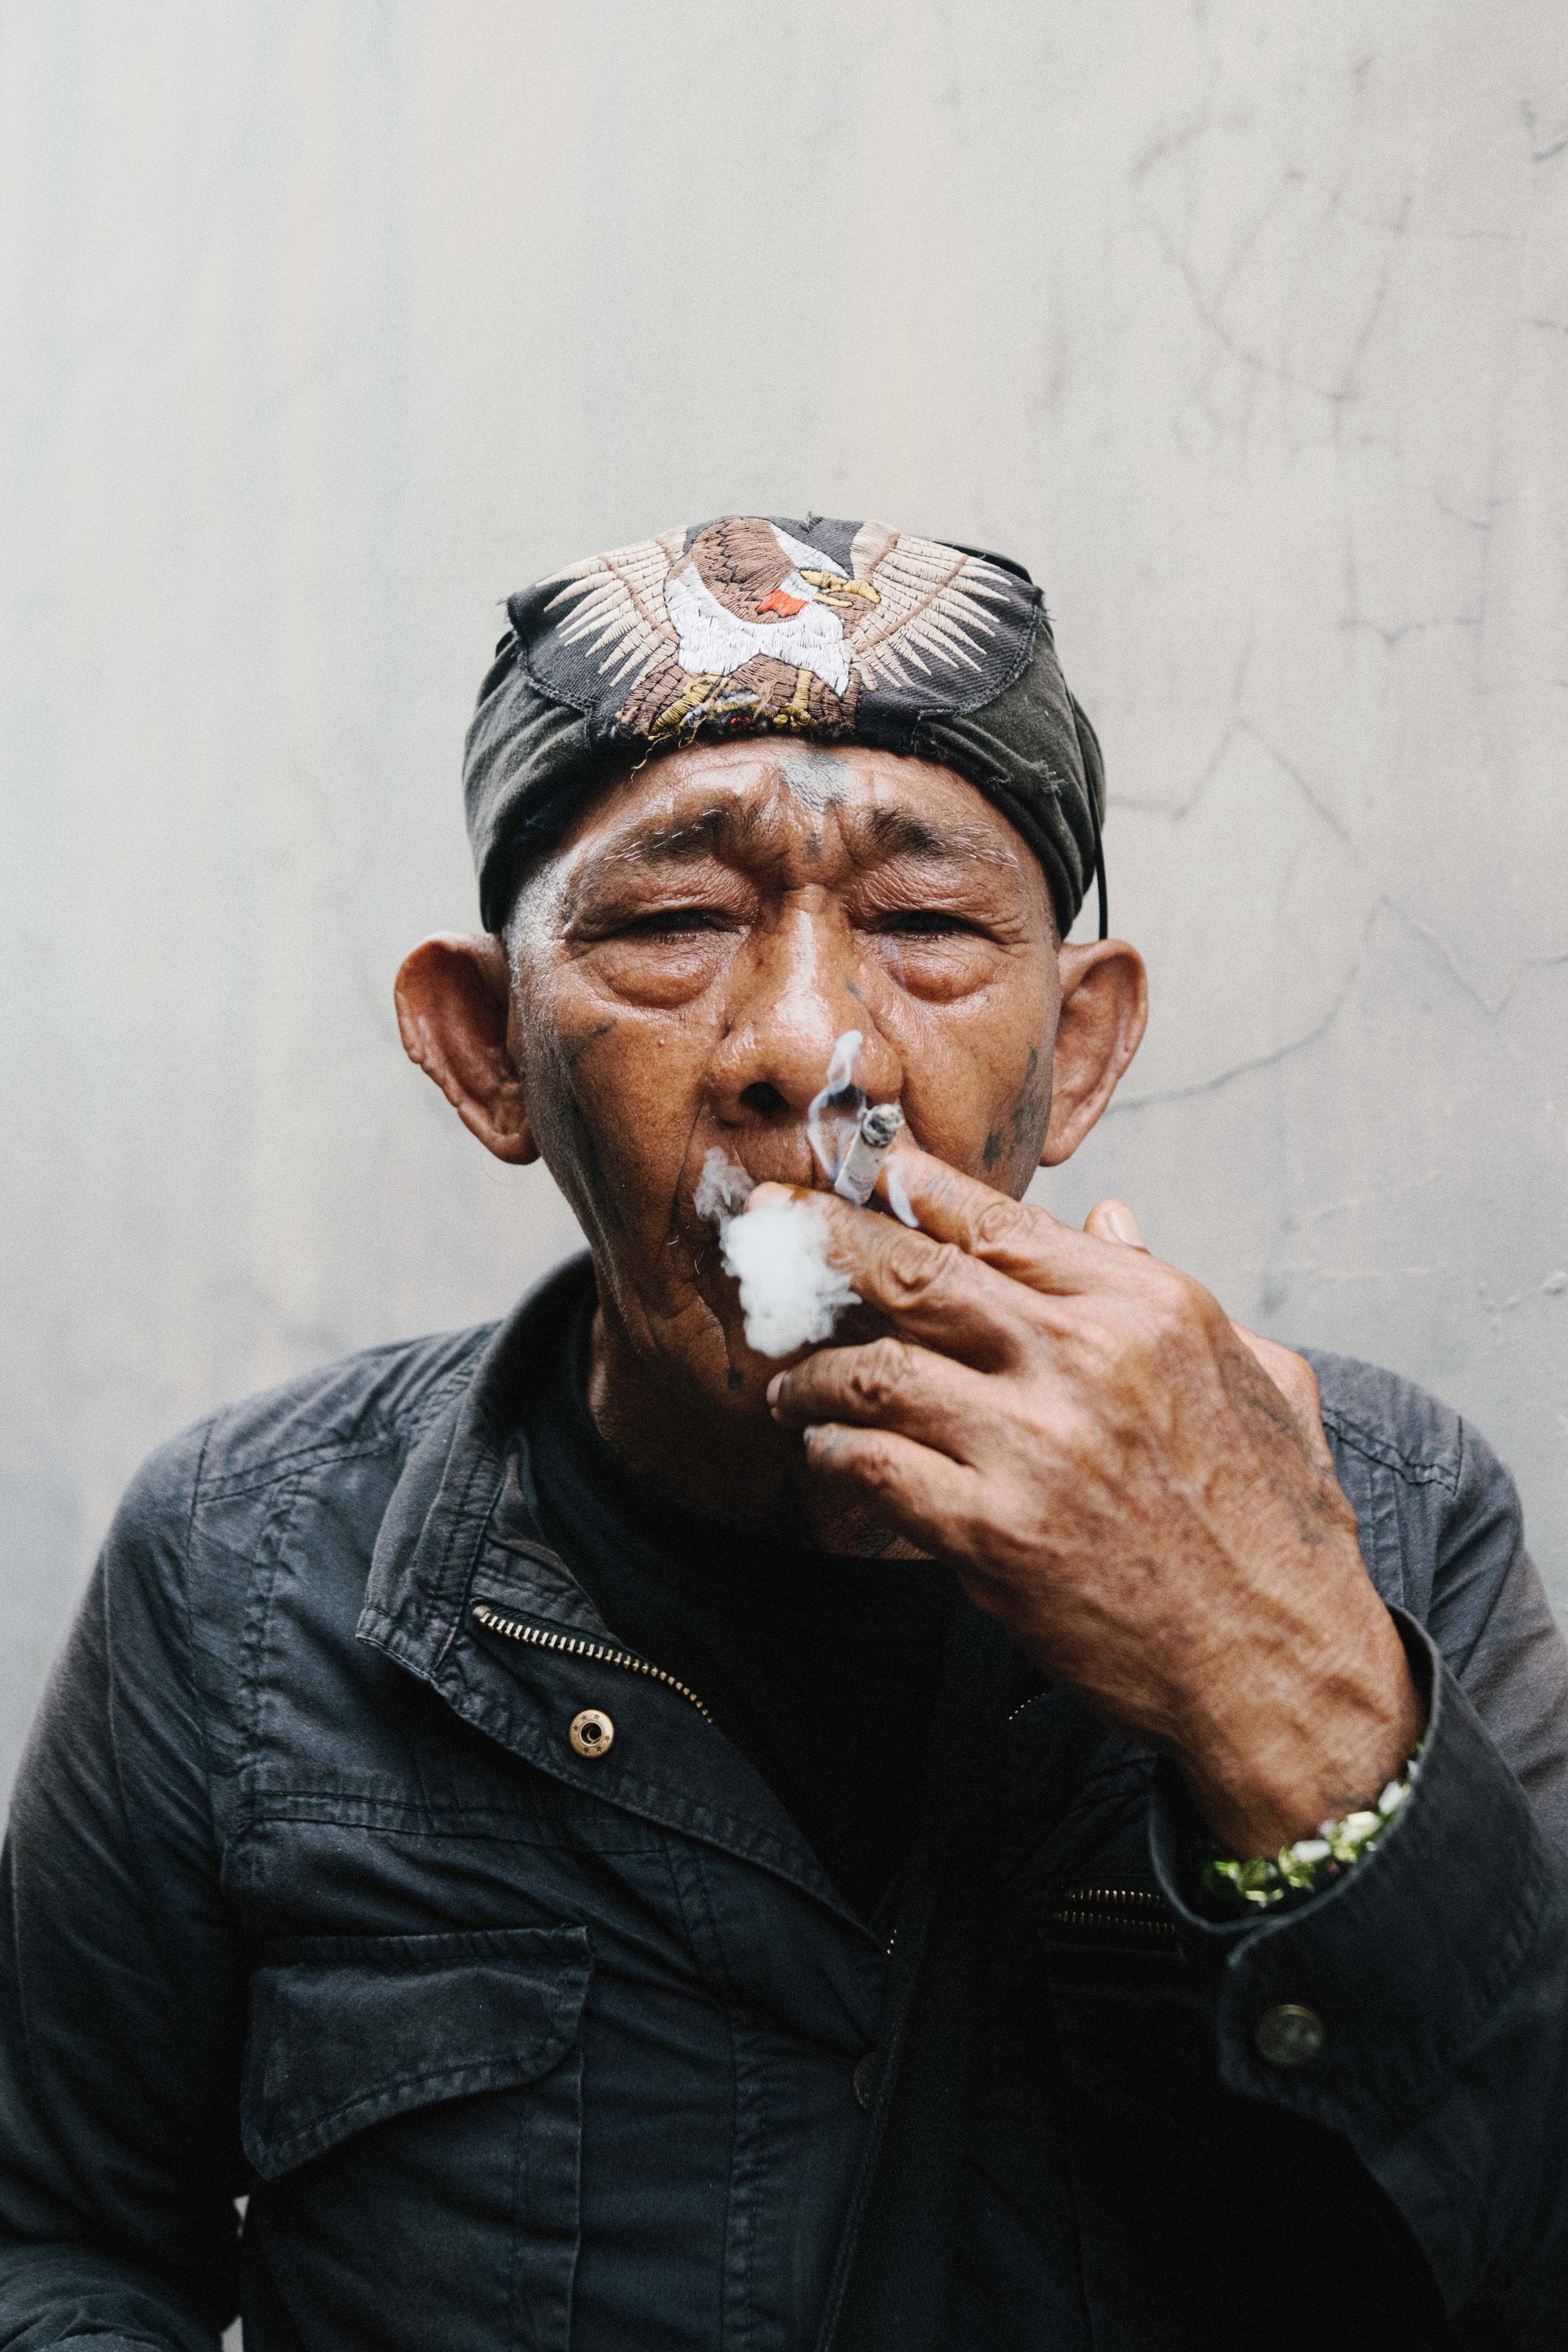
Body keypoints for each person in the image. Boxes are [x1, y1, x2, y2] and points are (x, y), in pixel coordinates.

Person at [1, 514, 1565, 2352]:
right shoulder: (246, 1568)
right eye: (670, 924)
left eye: (921, 928)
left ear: (1079, 1046)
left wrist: (1268, 1679)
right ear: (488, 1050)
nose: (812, 1044)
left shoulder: (1377, 1512)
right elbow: (65, 2244)